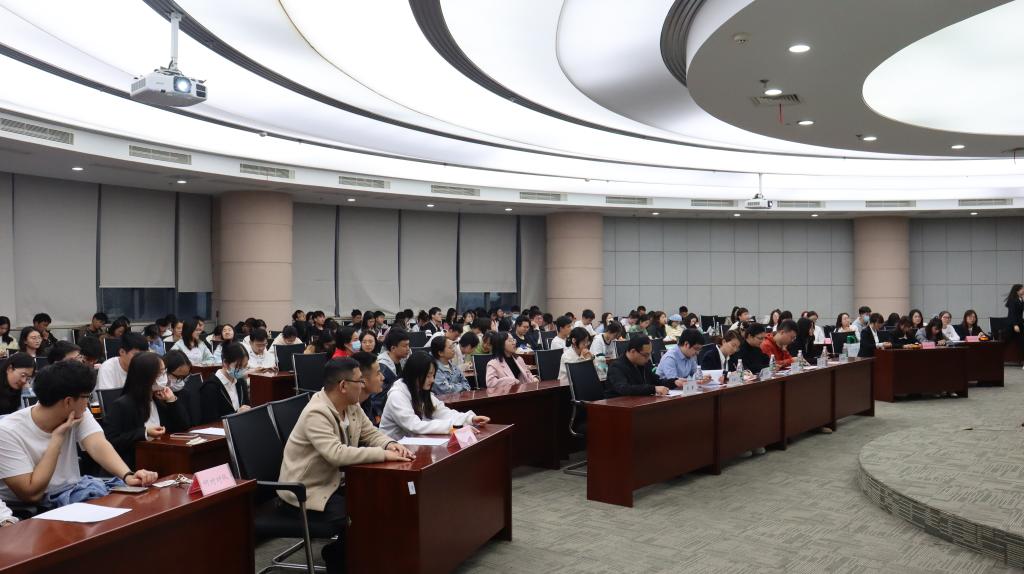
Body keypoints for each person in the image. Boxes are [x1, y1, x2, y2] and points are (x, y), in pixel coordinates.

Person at [278, 357, 414, 573]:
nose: (363, 385)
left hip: (333, 483)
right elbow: (337, 454)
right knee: (361, 511)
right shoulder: (317, 412)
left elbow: (371, 433)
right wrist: (383, 454)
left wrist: (390, 444)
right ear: (343, 386)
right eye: (359, 381)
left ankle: (349, 555)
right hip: (306, 491)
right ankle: (339, 561)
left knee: (381, 501)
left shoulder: (352, 405)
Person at [0, 360, 157, 506]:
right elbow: (30, 494)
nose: (88, 402)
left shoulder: (76, 412)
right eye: (87, 397)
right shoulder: (7, 432)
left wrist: (128, 475)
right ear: (68, 401)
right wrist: (57, 438)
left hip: (71, 493)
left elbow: (97, 444)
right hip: (31, 510)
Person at [101, 352, 188, 468]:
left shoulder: (159, 399)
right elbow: (111, 441)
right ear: (146, 377)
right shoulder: (123, 405)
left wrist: (172, 400)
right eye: (160, 373)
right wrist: (144, 433)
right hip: (136, 464)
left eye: (164, 372)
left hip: (163, 456)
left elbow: (183, 426)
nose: (164, 377)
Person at [380, 352, 486, 440]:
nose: (432, 380)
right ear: (414, 374)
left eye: (433, 375)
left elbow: (443, 413)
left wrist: (470, 419)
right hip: (394, 448)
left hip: (415, 445)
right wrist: (453, 427)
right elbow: (414, 426)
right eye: (428, 376)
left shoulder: (421, 390)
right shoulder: (397, 395)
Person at [364, 330, 411, 425]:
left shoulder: (401, 361)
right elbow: (376, 399)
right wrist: (378, 415)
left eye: (408, 345)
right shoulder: (383, 367)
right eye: (405, 346)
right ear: (393, 348)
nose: (408, 349)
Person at [198, 343, 251, 423]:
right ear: (225, 363)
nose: (242, 369)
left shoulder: (240, 382)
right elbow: (210, 420)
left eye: (245, 366)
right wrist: (236, 414)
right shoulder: (210, 387)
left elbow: (247, 406)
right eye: (239, 366)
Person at [605, 335, 669, 398]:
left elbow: (657, 381)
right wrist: (653, 389)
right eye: (645, 355)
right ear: (633, 351)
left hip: (643, 401)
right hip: (620, 402)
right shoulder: (616, 367)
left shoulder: (644, 363)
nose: (648, 358)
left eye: (650, 354)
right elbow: (624, 388)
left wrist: (673, 382)